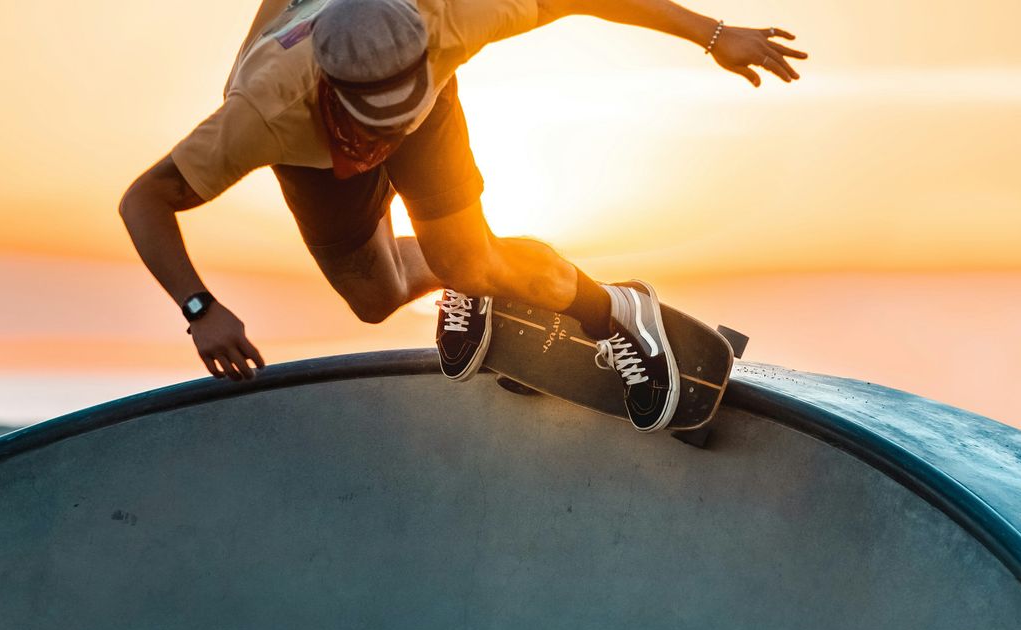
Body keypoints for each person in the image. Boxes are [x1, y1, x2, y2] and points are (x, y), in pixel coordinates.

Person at [118, 0, 807, 431]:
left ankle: (615, 311)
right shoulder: (260, 115)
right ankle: (474, 267)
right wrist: (200, 307)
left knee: (470, 262)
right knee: (375, 298)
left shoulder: (446, 19)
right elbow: (145, 199)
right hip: (307, 152)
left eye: (395, 124)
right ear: (328, 96)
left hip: (421, 95)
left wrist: (713, 33)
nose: (382, 145)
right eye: (369, 131)